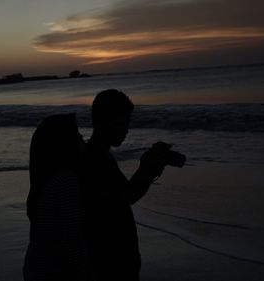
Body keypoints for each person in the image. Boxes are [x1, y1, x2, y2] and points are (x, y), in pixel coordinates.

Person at [82, 89, 166, 281]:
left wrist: (148, 170)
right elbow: (123, 199)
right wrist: (148, 169)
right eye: (121, 123)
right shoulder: (94, 159)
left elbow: (125, 195)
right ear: (102, 122)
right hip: (110, 263)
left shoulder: (100, 155)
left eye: (127, 123)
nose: (126, 129)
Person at [23, 114, 94, 281]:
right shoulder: (66, 181)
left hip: (37, 269)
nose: (82, 137)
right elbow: (73, 239)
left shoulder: (46, 180)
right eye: (76, 134)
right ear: (64, 144)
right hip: (54, 272)